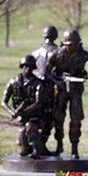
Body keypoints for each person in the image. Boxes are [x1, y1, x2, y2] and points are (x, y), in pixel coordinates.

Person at [46, 29, 88, 159]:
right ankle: (59, 145)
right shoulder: (56, 54)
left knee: (76, 119)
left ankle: (74, 148)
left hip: (76, 90)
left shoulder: (81, 54)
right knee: (58, 118)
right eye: (71, 45)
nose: (74, 47)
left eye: (76, 44)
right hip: (61, 90)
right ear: (66, 44)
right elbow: (47, 72)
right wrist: (57, 81)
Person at [1, 55, 46, 159]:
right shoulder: (13, 82)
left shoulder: (38, 84)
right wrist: (13, 113)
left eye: (30, 67)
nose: (27, 69)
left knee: (31, 127)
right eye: (25, 66)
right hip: (21, 118)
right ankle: (27, 146)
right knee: (22, 151)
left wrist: (25, 111)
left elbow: (39, 103)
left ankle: (36, 151)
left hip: (35, 117)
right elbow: (4, 102)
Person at [31, 25, 59, 156]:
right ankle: (39, 145)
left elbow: (29, 68)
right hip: (49, 88)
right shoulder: (58, 51)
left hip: (35, 87)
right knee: (48, 117)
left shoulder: (36, 51)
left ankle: (38, 146)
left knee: (38, 117)